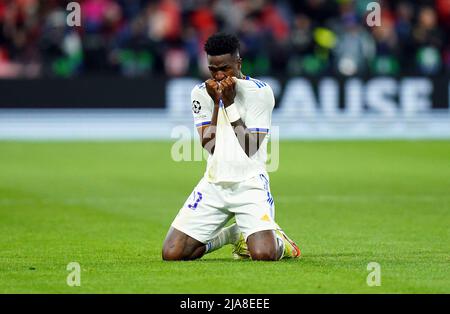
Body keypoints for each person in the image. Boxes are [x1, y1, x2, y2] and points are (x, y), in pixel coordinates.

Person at [162, 33, 301, 261]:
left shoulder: (259, 92)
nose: (218, 75)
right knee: (172, 252)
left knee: (264, 254)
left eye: (224, 68)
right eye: (212, 69)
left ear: (238, 63)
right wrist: (218, 103)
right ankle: (233, 234)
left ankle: (281, 241)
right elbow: (210, 145)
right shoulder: (200, 93)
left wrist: (229, 103)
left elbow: (250, 146)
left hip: (249, 184)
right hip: (213, 185)